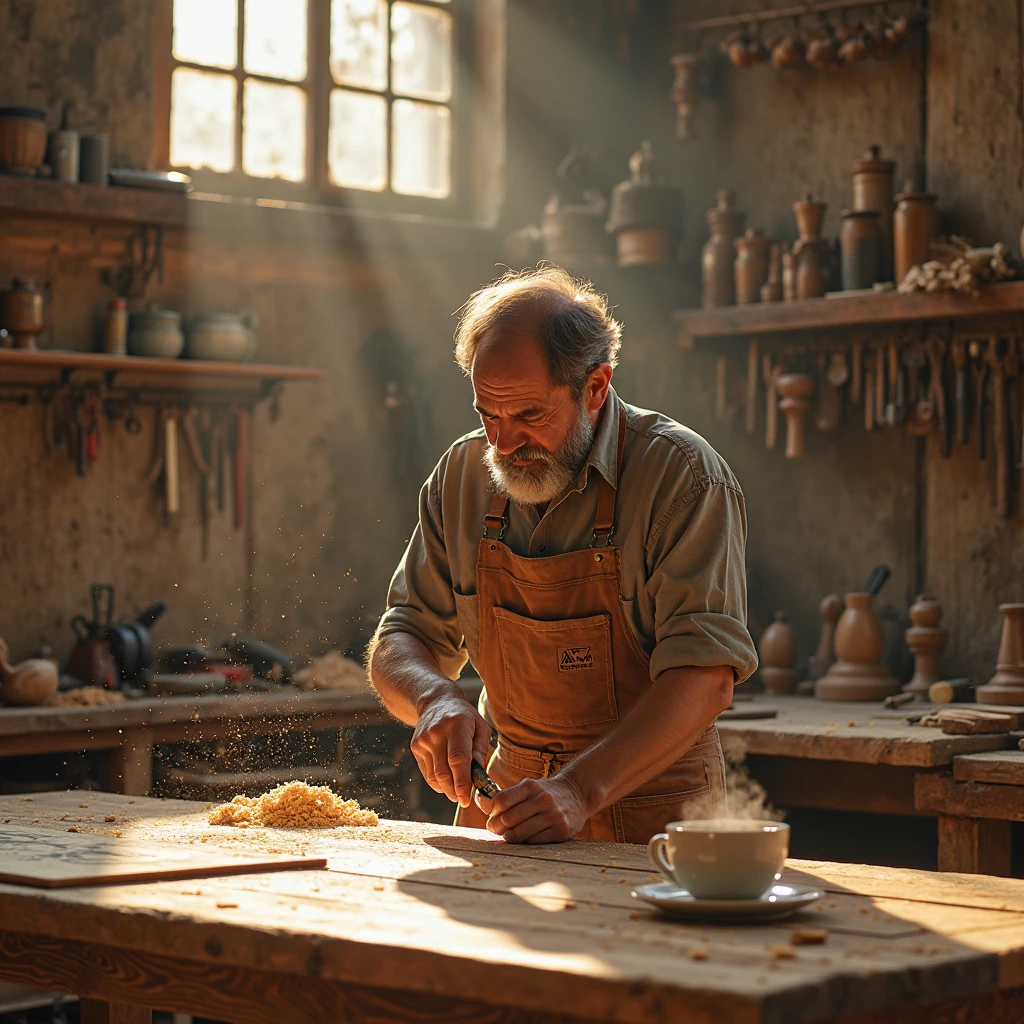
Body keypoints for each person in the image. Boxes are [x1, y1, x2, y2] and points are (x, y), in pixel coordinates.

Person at [367, 266, 757, 844]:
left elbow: (704, 678)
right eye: (487, 414)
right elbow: (401, 636)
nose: (502, 443)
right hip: (508, 809)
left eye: (529, 416)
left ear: (595, 387)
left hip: (653, 816)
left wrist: (578, 790)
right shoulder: (464, 475)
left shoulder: (682, 478)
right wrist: (432, 696)